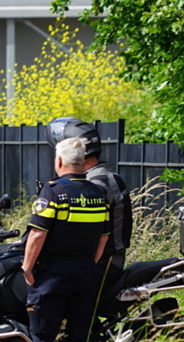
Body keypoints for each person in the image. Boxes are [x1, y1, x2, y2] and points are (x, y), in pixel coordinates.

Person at [18, 137, 109, 342]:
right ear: (81, 162)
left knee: (46, 337)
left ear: (59, 162)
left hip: (52, 277)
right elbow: (103, 236)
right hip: (85, 275)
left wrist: (27, 268)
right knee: (79, 337)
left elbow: (37, 233)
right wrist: (89, 264)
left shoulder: (53, 191)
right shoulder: (97, 192)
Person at [48, 117, 133, 284]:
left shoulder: (97, 182)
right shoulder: (89, 178)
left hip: (102, 261)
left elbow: (78, 227)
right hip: (91, 259)